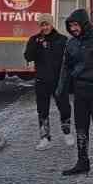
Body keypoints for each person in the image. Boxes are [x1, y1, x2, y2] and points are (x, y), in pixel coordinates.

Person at [54, 7, 93, 176]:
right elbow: (65, 68)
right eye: (70, 25)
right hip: (80, 93)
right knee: (81, 128)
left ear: (84, 24)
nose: (73, 28)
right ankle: (83, 163)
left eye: (76, 25)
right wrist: (61, 89)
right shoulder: (71, 43)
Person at [23, 13, 72, 149]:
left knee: (65, 107)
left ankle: (67, 132)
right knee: (42, 110)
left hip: (59, 80)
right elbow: (28, 56)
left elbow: (70, 59)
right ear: (40, 26)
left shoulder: (62, 40)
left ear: (52, 24)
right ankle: (45, 138)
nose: (45, 27)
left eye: (47, 24)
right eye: (42, 25)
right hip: (41, 80)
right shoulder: (34, 40)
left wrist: (70, 78)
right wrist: (36, 45)